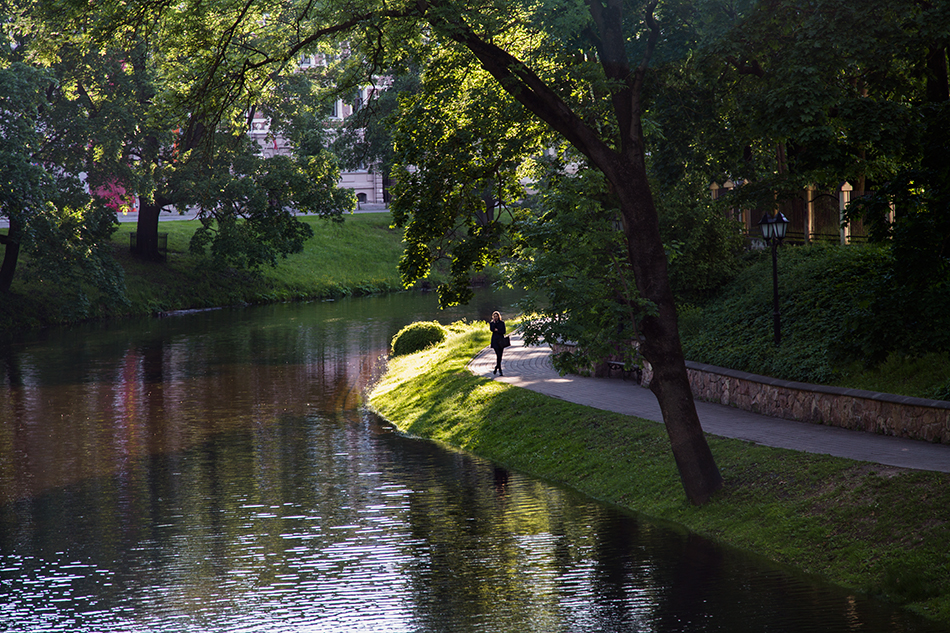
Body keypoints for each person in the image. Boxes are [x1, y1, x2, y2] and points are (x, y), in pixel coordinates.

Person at [489, 311, 506, 376]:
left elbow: (503, 331)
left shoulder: (502, 323)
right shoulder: (492, 323)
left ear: (499, 316)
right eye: (494, 316)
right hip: (495, 341)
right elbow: (492, 329)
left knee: (500, 356)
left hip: (501, 341)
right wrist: (494, 323)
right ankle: (500, 370)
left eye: (496, 316)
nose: (495, 317)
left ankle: (497, 367)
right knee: (498, 355)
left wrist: (497, 330)